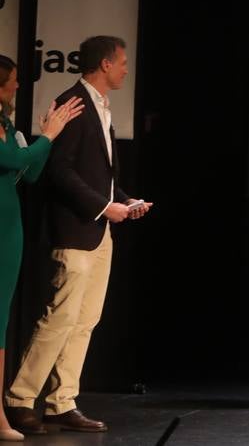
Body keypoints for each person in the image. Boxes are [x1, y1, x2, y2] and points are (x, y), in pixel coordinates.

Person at [5, 36, 152, 435]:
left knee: (85, 320)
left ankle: (61, 400)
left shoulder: (101, 107)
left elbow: (98, 176)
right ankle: (20, 399)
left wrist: (124, 199)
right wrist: (105, 207)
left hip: (98, 231)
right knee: (60, 317)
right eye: (121, 62)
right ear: (105, 64)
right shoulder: (74, 103)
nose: (125, 69)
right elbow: (60, 171)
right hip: (75, 230)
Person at [0, 56, 82, 442]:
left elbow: (29, 172)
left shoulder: (4, 122)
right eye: (13, 81)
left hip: (9, 230)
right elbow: (12, 159)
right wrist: (48, 136)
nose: (18, 87)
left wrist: (45, 137)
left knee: (0, 324)